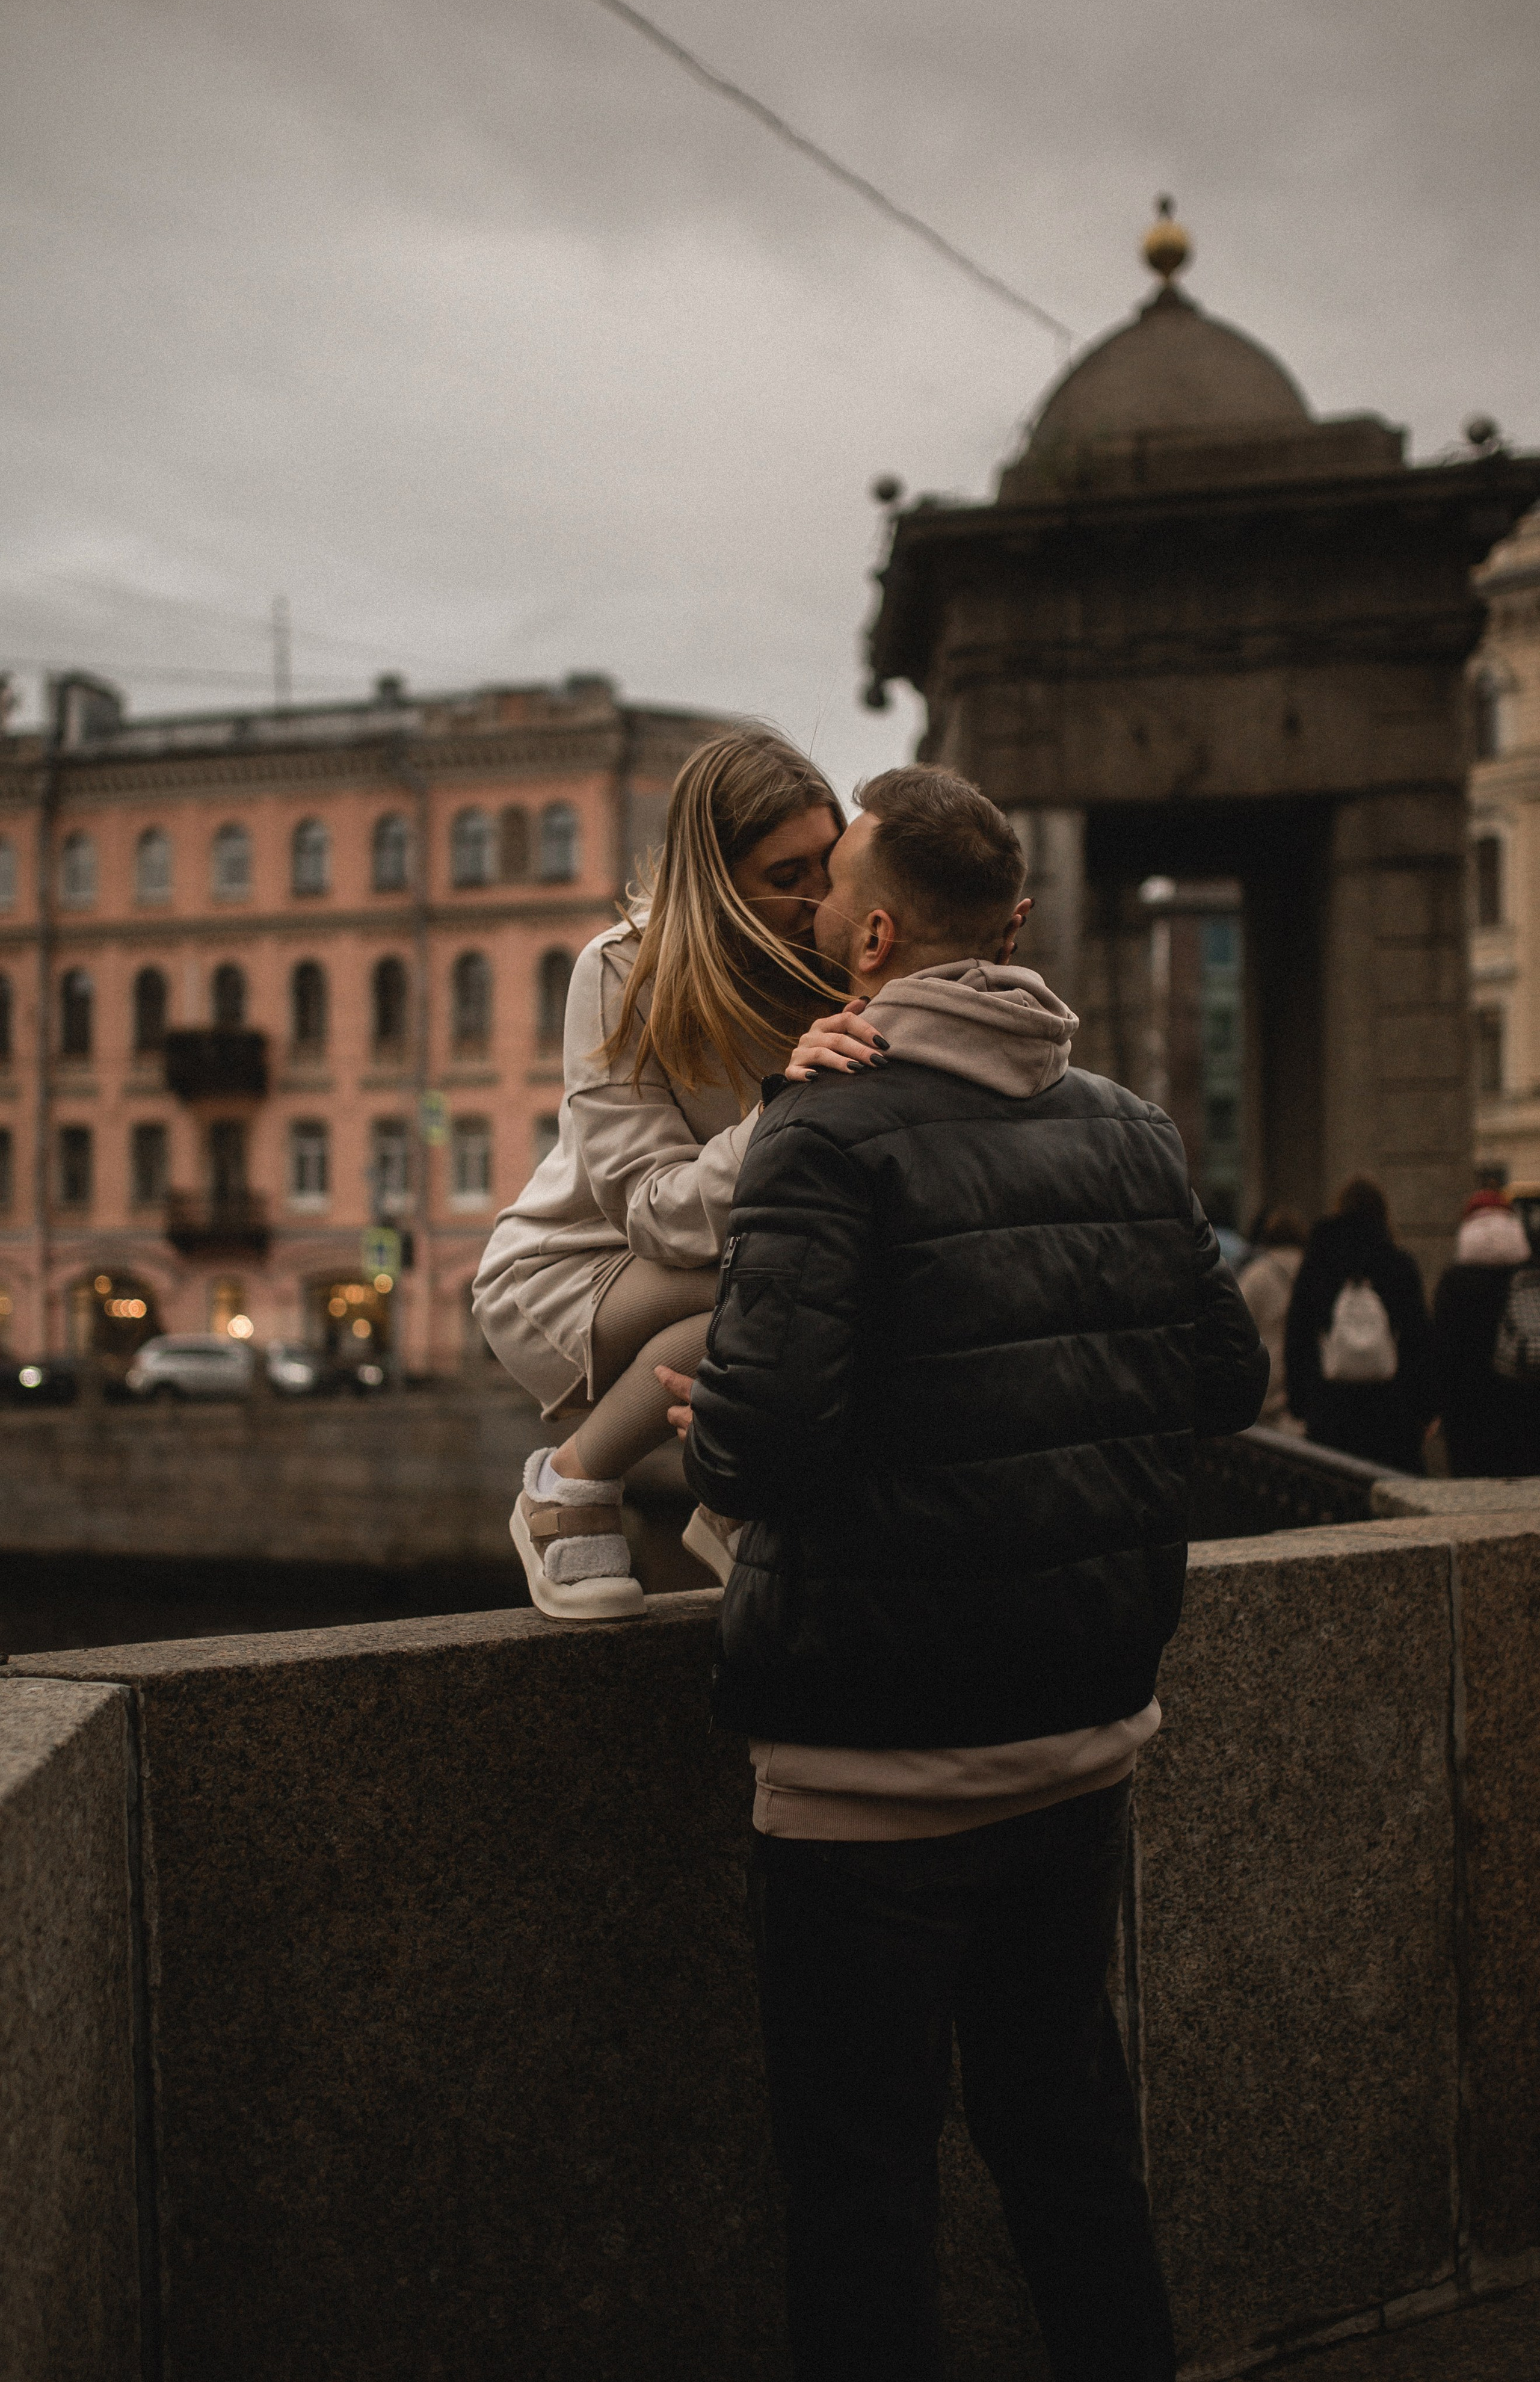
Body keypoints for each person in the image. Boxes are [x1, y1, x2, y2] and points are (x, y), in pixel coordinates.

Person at [659, 767, 1268, 2382]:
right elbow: (1223, 1379)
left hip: (867, 1772)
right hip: (1080, 1740)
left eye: (830, 889)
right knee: (1069, 2143)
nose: (814, 910)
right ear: (1013, 921)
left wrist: (714, 1410)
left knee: (862, 2193)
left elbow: (757, 1455)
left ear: (870, 939)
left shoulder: (821, 1130)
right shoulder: (1131, 1125)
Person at [473, 726, 934, 1618]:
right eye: (786, 874)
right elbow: (653, 1211)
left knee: (829, 1273)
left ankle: (731, 1501)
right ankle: (566, 1486)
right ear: (717, 879)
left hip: (741, 1258)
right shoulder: (621, 968)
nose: (817, 897)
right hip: (580, 1267)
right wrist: (782, 1112)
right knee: (784, 1275)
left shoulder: (841, 954)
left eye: (827, 863)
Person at [1284, 1176, 1436, 1473]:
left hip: (1330, 1410)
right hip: (1391, 1414)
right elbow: (1418, 1338)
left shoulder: (1317, 1265)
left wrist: (1300, 1403)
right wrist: (1425, 1408)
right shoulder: (1398, 1263)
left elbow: (1298, 1335)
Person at [1433, 1189, 1540, 1477]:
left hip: (1467, 1411)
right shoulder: (1530, 1276)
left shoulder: (1454, 1281)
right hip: (1526, 1407)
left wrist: (1437, 1405)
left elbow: (1441, 1350)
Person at [1237, 1206, 1308, 1431]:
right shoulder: (1314, 1273)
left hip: (1266, 1388)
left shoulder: (1256, 1276)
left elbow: (1235, 1328)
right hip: (1303, 1389)